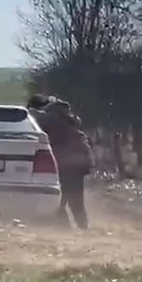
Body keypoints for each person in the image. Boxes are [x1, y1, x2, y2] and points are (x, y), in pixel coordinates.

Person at [28, 95, 93, 229]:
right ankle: (84, 229)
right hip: (80, 160)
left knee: (57, 200)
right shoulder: (69, 117)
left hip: (62, 161)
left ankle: (63, 232)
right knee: (76, 200)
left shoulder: (45, 118)